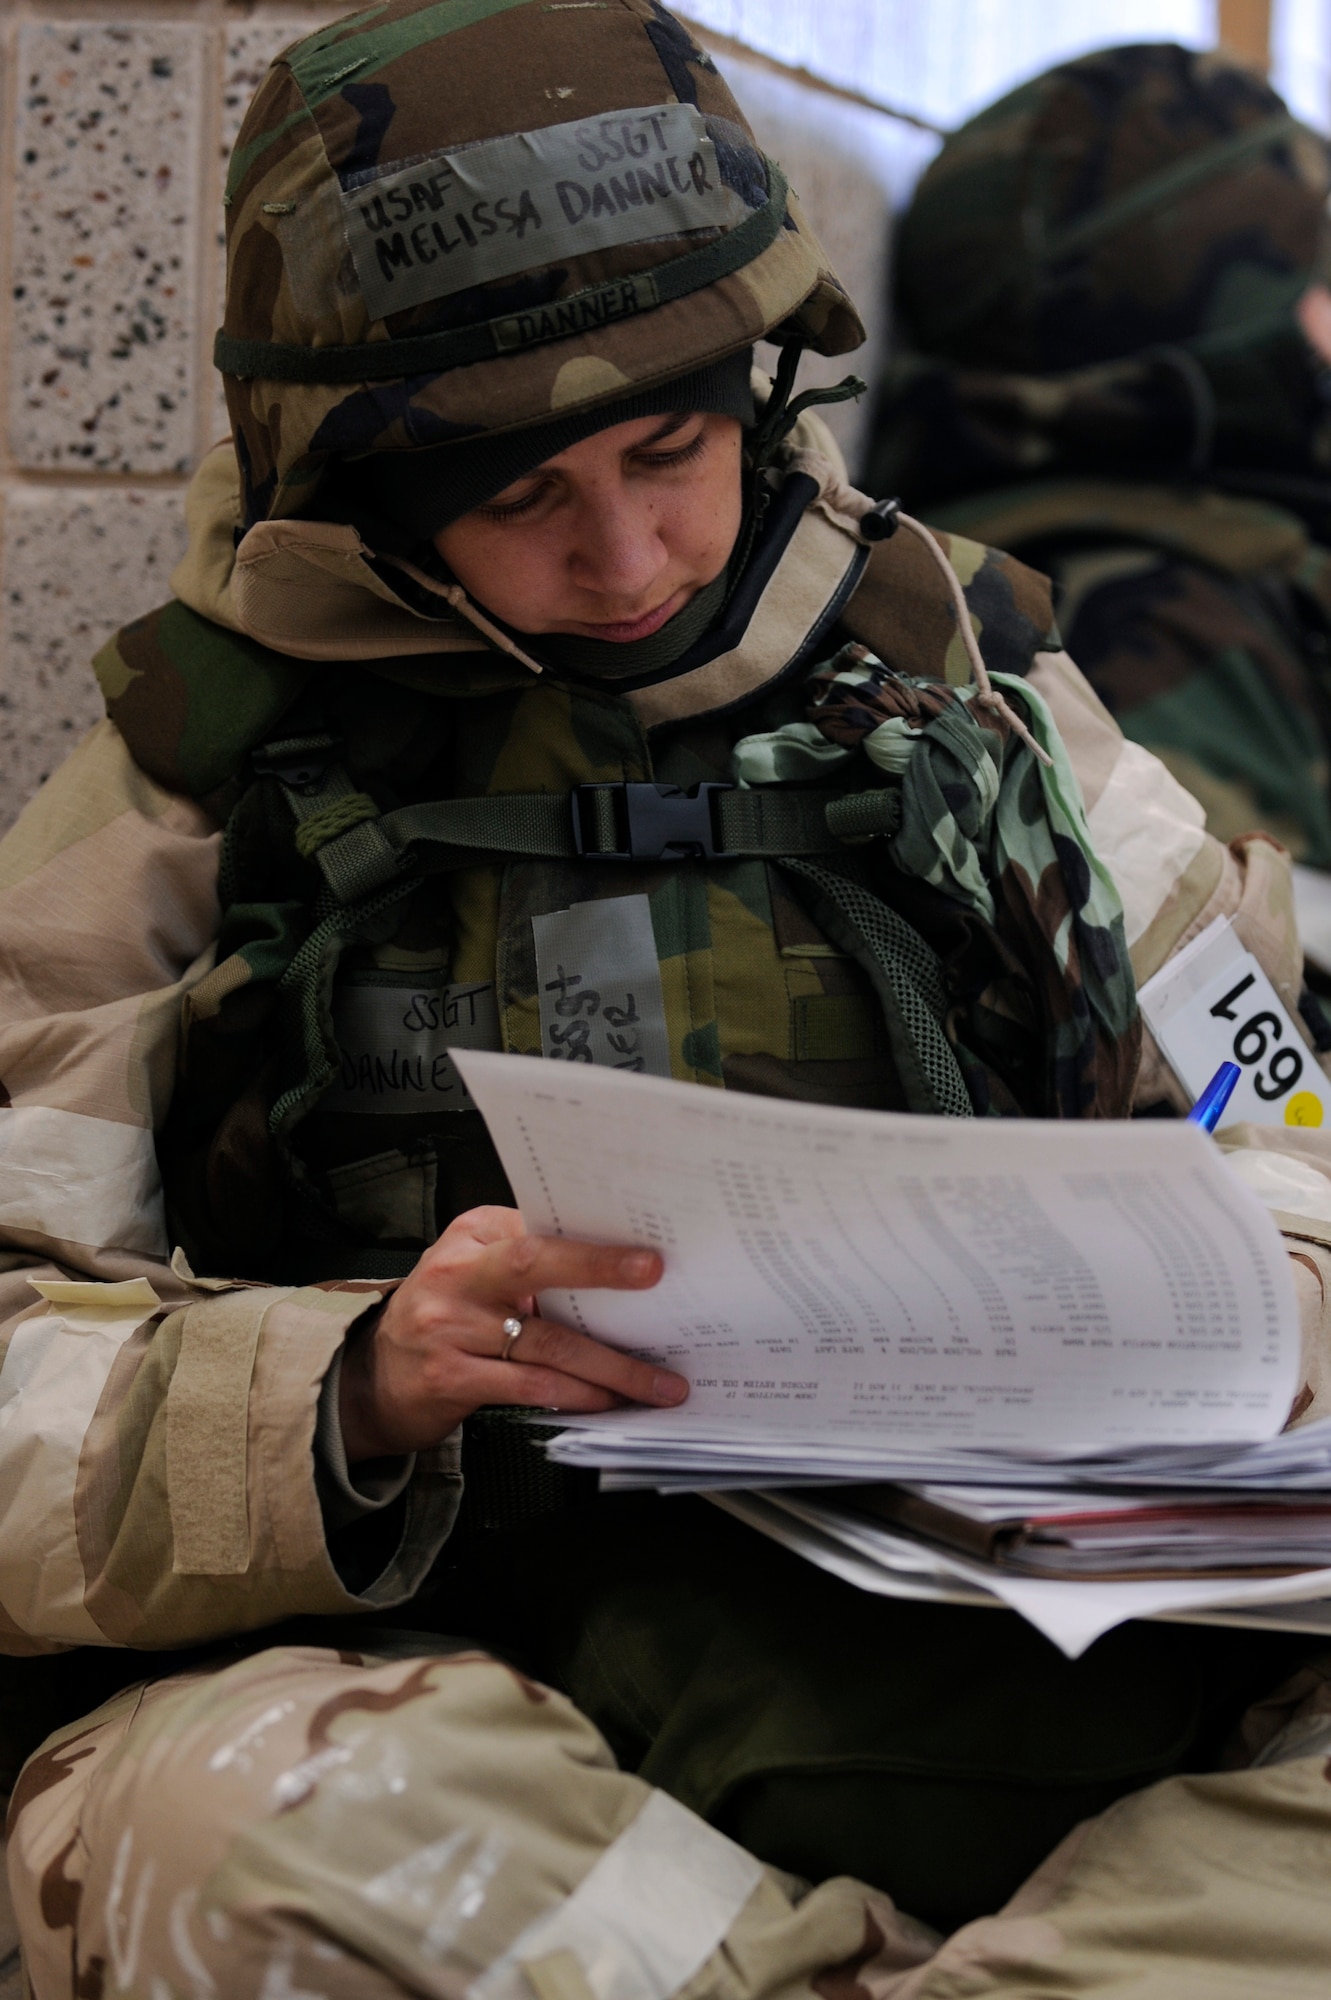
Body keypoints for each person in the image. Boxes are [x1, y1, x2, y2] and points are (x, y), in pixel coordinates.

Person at [4, 6, 1331, 1995]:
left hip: (1029, 1663)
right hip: (509, 1710)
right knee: (196, 1816)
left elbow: (1285, 1140)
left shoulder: (970, 691)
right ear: (354, 474)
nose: (622, 556)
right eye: (518, 491)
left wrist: (1174, 1318)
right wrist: (356, 1377)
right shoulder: (198, 774)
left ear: (756, 383)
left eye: (667, 448)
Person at [866, 40, 1331, 873]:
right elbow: (1256, 982)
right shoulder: (1124, 623)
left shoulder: (1228, 545)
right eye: (1319, 286)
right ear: (1204, 348)